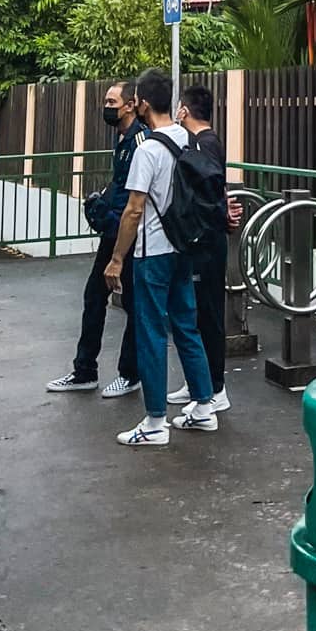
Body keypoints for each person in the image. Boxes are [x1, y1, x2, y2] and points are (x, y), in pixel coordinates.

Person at [105, 69, 218, 447]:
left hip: (153, 252)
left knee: (151, 332)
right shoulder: (187, 138)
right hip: (184, 246)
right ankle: (204, 407)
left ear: (144, 104)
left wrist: (116, 259)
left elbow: (134, 210)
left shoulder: (147, 149)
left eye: (135, 100)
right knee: (187, 325)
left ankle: (155, 422)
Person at [47, 81, 146, 398]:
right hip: (114, 233)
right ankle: (85, 371)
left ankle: (129, 374)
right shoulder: (121, 140)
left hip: (129, 235)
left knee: (132, 304)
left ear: (130, 105)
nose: (107, 106)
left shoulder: (139, 141)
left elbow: (136, 198)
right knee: (94, 297)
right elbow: (120, 186)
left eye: (112, 101)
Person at [171, 85, 231, 414]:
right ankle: (198, 382)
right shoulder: (205, 142)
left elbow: (208, 191)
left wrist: (214, 222)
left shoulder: (205, 143)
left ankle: (216, 387)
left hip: (206, 241)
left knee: (208, 313)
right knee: (196, 314)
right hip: (205, 238)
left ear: (185, 110)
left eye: (179, 108)